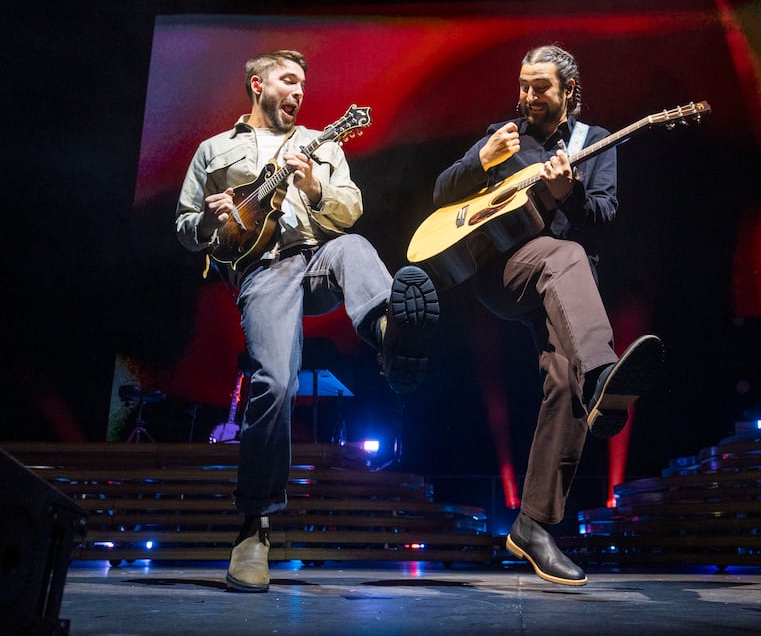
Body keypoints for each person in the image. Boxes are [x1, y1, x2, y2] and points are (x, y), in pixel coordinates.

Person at [175, 49, 439, 592]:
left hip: (313, 257)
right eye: (287, 81)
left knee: (357, 247)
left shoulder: (321, 143)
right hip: (261, 272)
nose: (298, 92)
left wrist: (315, 187)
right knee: (274, 383)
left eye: (303, 85)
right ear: (257, 84)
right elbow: (185, 225)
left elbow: (350, 207)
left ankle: (391, 336)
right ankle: (255, 528)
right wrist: (207, 219)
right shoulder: (213, 150)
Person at [432, 44, 664, 586]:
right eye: (523, 85)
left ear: (568, 93)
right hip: (506, 273)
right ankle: (604, 374)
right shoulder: (502, 134)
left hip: (565, 289)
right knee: (567, 255)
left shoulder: (596, 143)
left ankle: (533, 525)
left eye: (540, 88)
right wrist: (479, 162)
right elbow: (443, 194)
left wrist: (570, 193)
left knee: (564, 380)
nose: (528, 96)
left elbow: (604, 217)